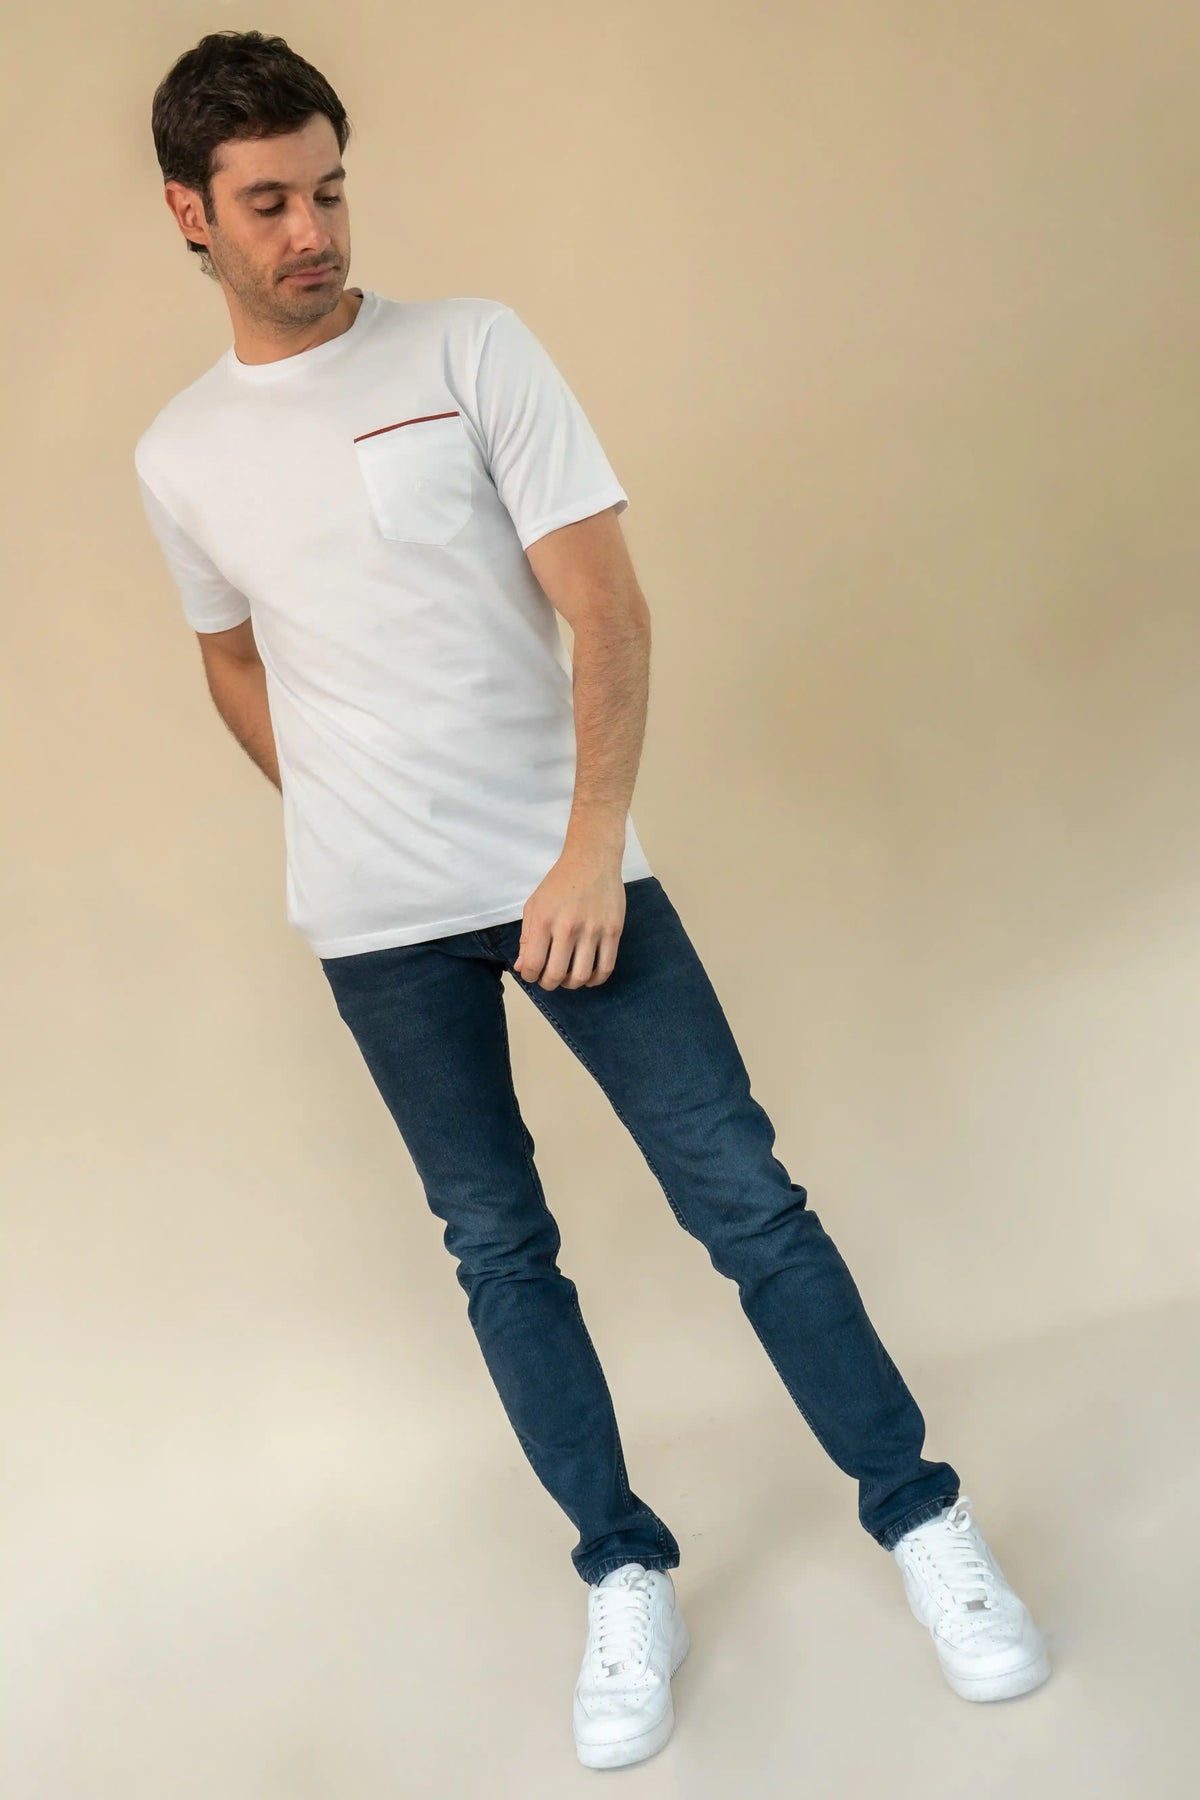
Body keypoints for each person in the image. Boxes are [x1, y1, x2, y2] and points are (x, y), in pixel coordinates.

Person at [134, 29, 1051, 1772]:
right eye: (268, 203)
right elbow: (230, 655)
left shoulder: (471, 348)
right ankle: (624, 1572)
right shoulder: (179, 453)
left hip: (568, 873)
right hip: (375, 925)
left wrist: (588, 842)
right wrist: (334, 809)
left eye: (329, 189)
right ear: (192, 213)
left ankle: (924, 1520)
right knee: (498, 1249)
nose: (312, 229)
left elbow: (608, 610)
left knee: (748, 1204)